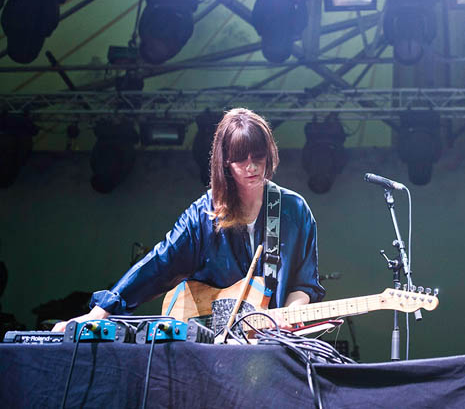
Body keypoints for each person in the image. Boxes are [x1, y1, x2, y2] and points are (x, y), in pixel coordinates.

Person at [54, 108, 324, 332]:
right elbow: (161, 262)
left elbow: (304, 284)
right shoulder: (204, 213)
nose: (252, 167)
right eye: (241, 159)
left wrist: (290, 313)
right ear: (225, 162)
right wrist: (102, 311)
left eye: (258, 157)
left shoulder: (294, 210)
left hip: (271, 342)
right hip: (209, 343)